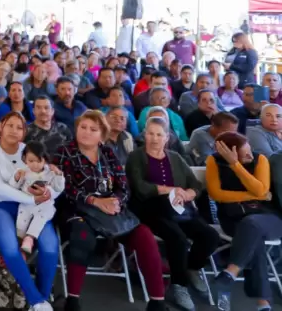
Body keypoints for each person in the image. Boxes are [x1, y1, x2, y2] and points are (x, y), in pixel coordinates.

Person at [53, 110, 167, 311]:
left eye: (93, 129)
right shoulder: (64, 152)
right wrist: (94, 201)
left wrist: (116, 201)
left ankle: (157, 301)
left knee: (145, 237)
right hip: (77, 209)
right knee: (82, 238)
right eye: (83, 127)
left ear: (102, 135)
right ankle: (73, 300)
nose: (86, 132)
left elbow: (123, 185)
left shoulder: (107, 153)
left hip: (111, 210)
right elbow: (64, 187)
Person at [125, 117, 221, 311]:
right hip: (149, 209)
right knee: (177, 238)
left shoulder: (175, 157)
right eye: (150, 133)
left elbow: (196, 185)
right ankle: (179, 285)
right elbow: (141, 188)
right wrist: (171, 189)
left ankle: (190, 268)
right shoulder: (136, 156)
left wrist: (188, 193)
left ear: (166, 137)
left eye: (159, 134)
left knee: (210, 236)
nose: (154, 138)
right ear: (144, 134)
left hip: (178, 209)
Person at [0, 112, 59, 311]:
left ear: (24, 132)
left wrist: (49, 192)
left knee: (49, 246)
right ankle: (36, 300)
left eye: (19, 127)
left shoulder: (27, 151)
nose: (14, 130)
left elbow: (48, 179)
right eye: (10, 125)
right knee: (11, 248)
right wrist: (31, 198)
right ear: (0, 127)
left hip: (30, 207)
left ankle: (42, 300)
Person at [207, 131, 281, 311]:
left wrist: (235, 164)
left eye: (250, 150)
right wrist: (252, 194)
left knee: (251, 226)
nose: (249, 154)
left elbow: (261, 189)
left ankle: (230, 273)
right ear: (230, 152)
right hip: (232, 218)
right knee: (254, 238)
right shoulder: (214, 161)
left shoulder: (260, 159)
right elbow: (216, 194)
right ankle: (263, 303)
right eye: (244, 152)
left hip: (268, 217)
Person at [11, 141, 64, 256]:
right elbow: (14, 187)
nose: (35, 164)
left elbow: (59, 188)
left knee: (40, 218)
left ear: (44, 159)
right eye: (31, 161)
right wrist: (17, 178)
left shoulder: (50, 172)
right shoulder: (23, 171)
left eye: (38, 161)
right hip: (27, 203)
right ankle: (20, 243)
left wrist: (58, 175)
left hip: (45, 204)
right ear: (24, 159)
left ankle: (30, 238)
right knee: (21, 221)